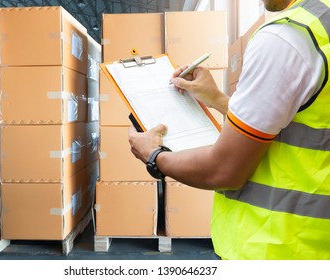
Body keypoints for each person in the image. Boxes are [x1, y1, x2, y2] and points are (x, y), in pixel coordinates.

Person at [128, 0, 330, 260]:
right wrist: (217, 99)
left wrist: (154, 156)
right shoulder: (321, 26)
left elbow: (223, 169)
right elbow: (303, 126)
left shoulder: (289, 37)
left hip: (274, 249)